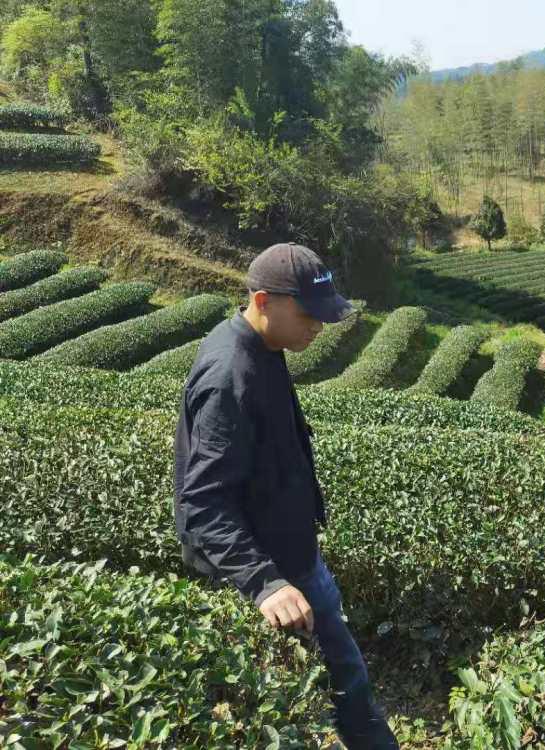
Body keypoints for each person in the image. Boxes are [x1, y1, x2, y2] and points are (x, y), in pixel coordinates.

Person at [173, 242, 398, 749]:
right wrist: (265, 583)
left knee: (344, 675)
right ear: (261, 301)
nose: (318, 327)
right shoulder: (231, 375)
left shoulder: (265, 348)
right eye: (308, 314)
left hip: (292, 553)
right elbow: (202, 502)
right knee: (343, 682)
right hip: (273, 571)